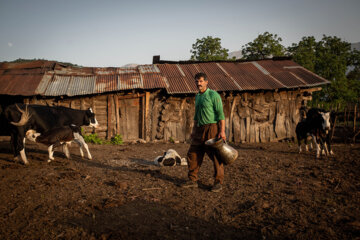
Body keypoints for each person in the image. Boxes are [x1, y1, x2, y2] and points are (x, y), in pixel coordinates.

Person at [180, 72, 226, 192]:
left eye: (200, 81)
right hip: (199, 129)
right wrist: (194, 131)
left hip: (212, 128)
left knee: (215, 155)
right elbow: (196, 116)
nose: (198, 83)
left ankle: (218, 182)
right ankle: (192, 180)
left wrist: (222, 131)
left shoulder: (213, 95)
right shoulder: (198, 96)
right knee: (193, 153)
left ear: (206, 82)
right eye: (196, 81)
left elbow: (221, 115)